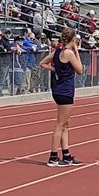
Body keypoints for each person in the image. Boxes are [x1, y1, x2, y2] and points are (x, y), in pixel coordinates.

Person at [39, 27, 83, 167]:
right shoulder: (69, 53)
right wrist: (76, 51)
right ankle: (53, 157)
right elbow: (80, 70)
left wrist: (55, 69)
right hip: (65, 91)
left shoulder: (56, 51)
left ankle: (66, 154)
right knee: (60, 124)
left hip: (59, 90)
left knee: (65, 124)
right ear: (73, 39)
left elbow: (42, 63)